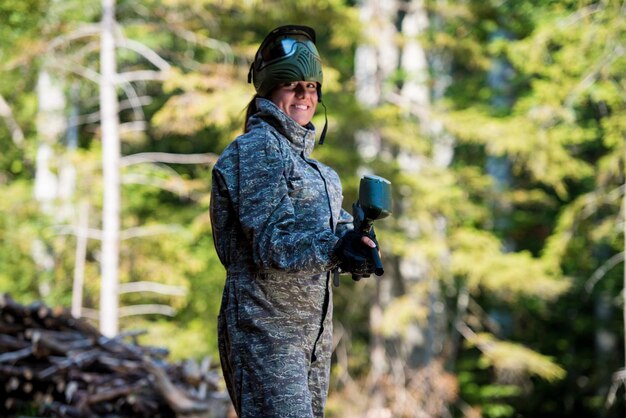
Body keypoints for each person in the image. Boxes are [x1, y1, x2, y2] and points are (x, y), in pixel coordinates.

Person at [210, 25, 379, 418]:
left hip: (313, 338)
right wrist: (336, 247)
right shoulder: (254, 150)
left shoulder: (320, 171)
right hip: (265, 332)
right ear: (269, 90)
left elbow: (330, 228)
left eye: (311, 86)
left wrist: (355, 242)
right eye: (291, 85)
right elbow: (273, 241)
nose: (304, 95)